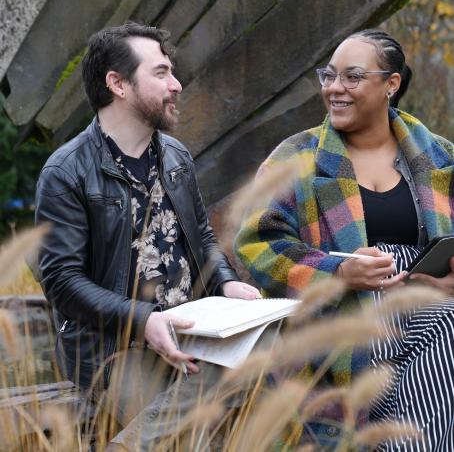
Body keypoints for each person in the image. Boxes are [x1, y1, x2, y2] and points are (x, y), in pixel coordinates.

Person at [35, 22, 261, 450]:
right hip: (115, 347)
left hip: (193, 330)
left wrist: (226, 282)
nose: (176, 84)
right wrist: (143, 319)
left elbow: (202, 240)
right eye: (161, 73)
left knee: (262, 351)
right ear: (117, 84)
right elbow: (62, 282)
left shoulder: (176, 155)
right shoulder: (66, 172)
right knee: (194, 436)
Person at [235, 29, 454, 450]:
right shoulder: (296, 157)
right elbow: (258, 244)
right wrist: (338, 272)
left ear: (391, 84)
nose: (335, 88)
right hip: (339, 324)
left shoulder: (439, 156)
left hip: (431, 314)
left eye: (352, 77)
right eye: (329, 76)